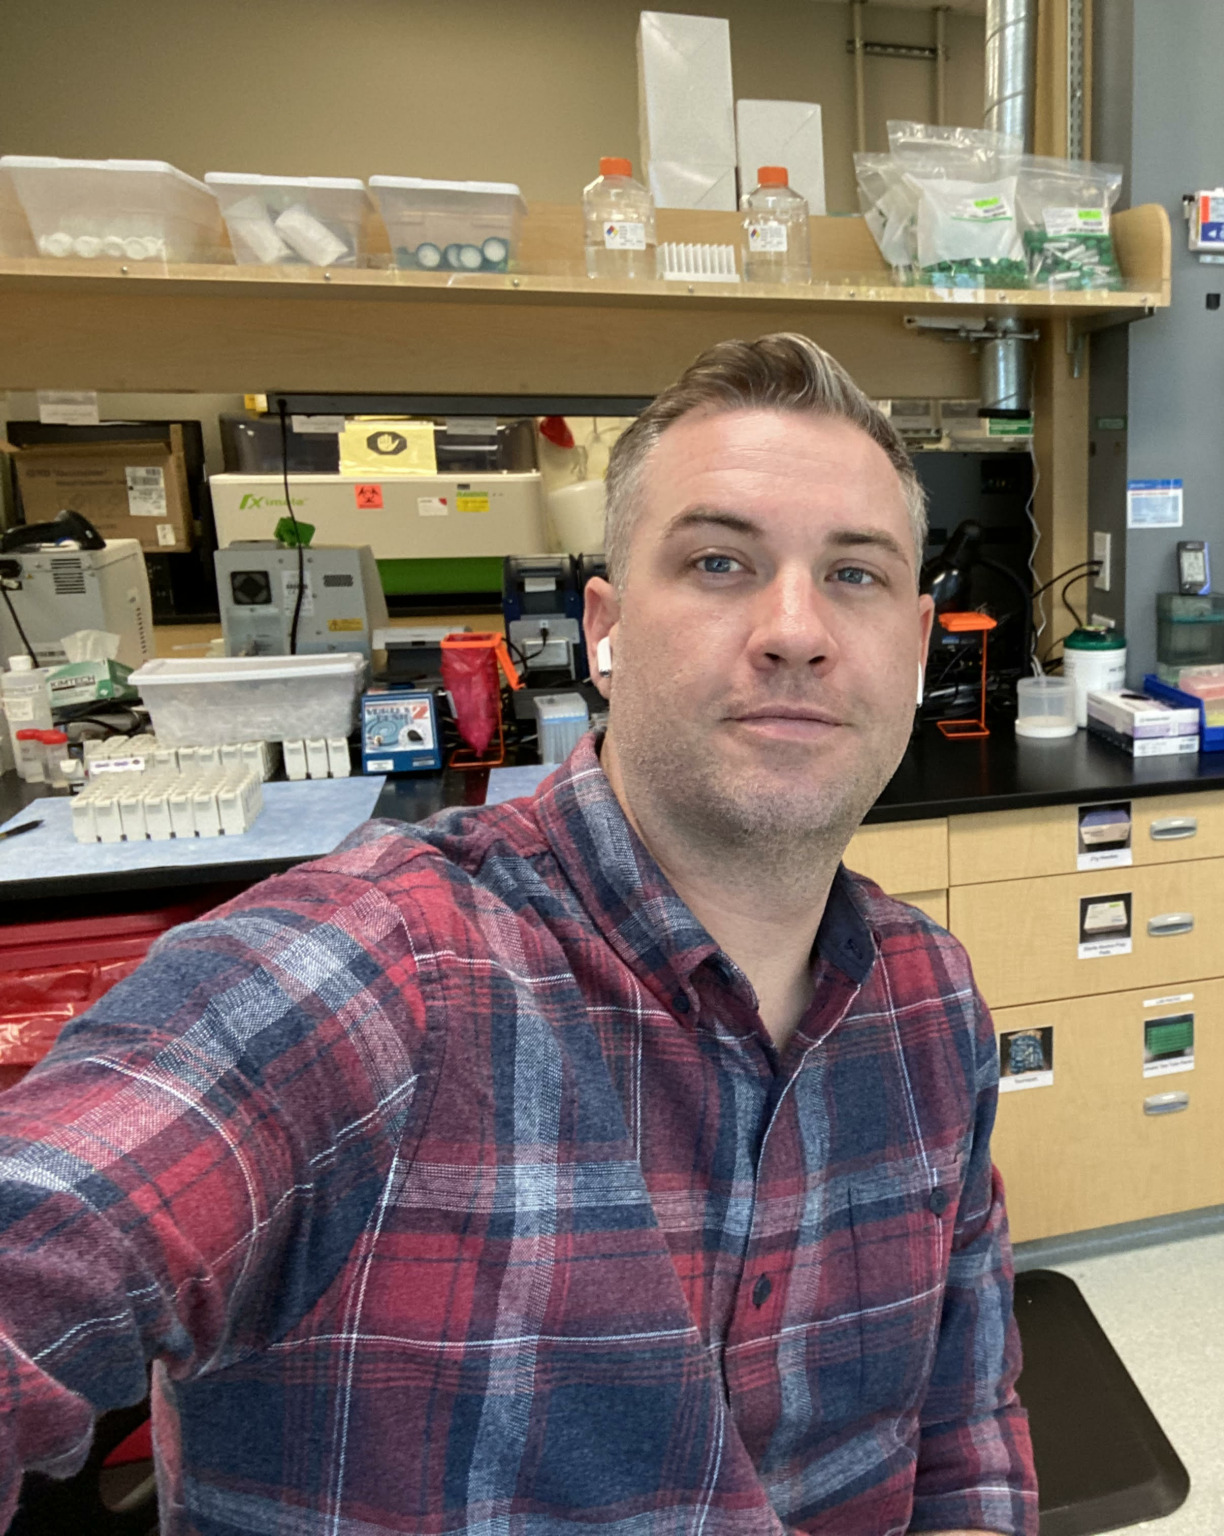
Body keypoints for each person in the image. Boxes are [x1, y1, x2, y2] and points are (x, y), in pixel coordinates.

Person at [0, 334, 1036, 1536]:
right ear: (603, 631)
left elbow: (964, 1430)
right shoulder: (373, 973)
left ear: (917, 643)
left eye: (854, 575)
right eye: (717, 562)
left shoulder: (925, 999)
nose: (794, 629)